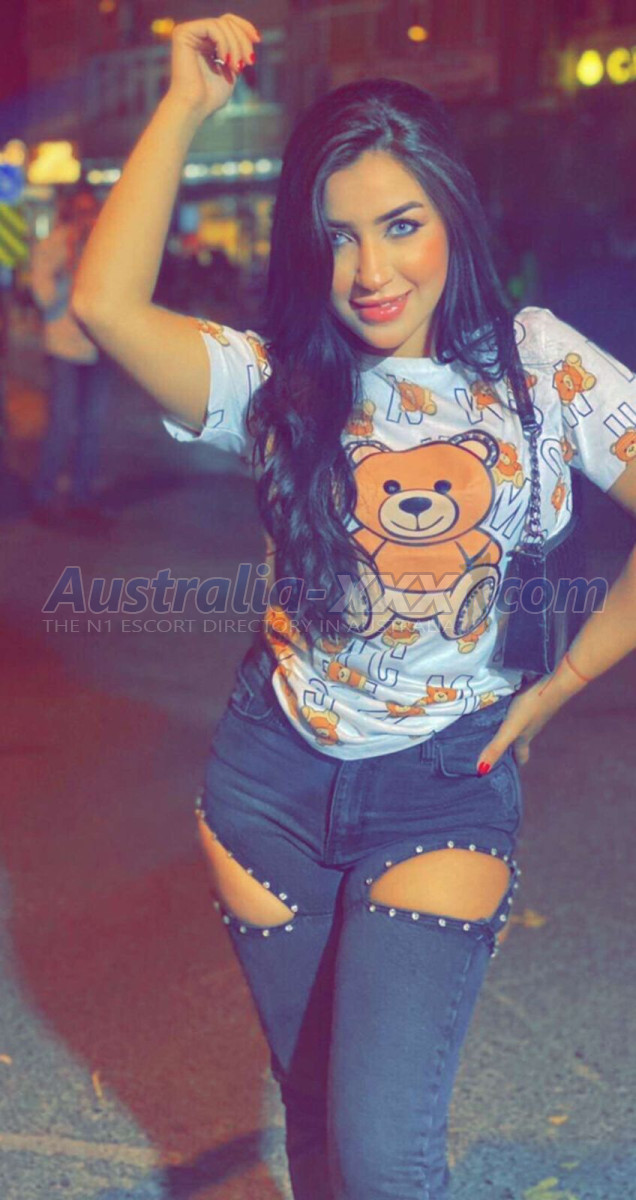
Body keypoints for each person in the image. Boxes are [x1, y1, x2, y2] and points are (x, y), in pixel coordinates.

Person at [71, 15, 636, 1199]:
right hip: (268, 790)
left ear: (453, 218)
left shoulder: (536, 366)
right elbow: (108, 307)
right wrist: (183, 107)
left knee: (385, 1158)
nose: (370, 271)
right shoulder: (277, 384)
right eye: (337, 237)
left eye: (400, 225)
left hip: (442, 790)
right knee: (319, 1129)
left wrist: (566, 682)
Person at [30, 186, 111, 525]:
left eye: (91, 212)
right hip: (64, 347)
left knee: (93, 425)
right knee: (61, 423)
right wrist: (69, 271)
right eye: (80, 212)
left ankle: (83, 495)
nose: (86, 219)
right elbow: (44, 300)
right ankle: (44, 495)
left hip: (99, 347)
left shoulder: (105, 248)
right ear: (68, 213)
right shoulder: (51, 247)